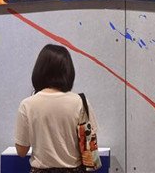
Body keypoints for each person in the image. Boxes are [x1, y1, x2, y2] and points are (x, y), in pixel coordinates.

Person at [14, 44, 98, 173]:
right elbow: (90, 144)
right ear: (68, 71)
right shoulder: (80, 102)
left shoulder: (27, 104)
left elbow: (21, 151)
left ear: (39, 70)